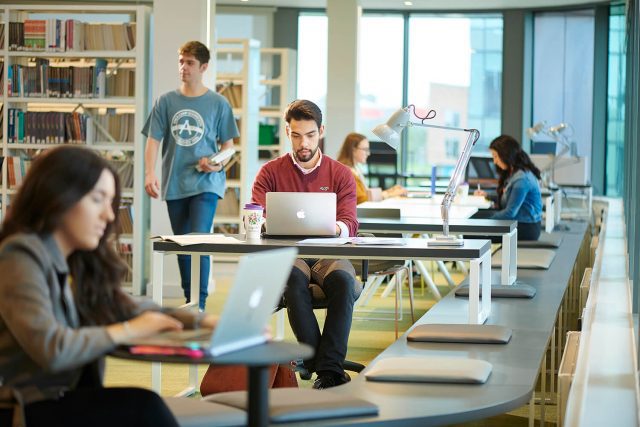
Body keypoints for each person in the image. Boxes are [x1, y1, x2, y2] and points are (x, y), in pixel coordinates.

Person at [0, 146, 216, 427]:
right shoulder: (19, 256)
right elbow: (53, 349)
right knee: (143, 408)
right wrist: (130, 330)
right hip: (25, 409)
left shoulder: (77, 259)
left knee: (143, 405)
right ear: (58, 197)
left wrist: (206, 320)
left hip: (65, 399)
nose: (109, 215)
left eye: (110, 202)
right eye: (97, 199)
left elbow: (129, 307)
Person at [251, 100, 360, 390]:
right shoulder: (270, 173)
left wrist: (333, 226)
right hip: (289, 254)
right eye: (296, 135)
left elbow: (350, 221)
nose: (304, 143)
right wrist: (265, 222)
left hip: (330, 253)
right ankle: (325, 367)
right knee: (291, 280)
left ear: (321, 131)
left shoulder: (340, 174)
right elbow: (257, 214)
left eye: (310, 135)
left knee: (343, 283)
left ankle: (326, 367)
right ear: (287, 132)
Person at [143, 40, 239, 310]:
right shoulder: (166, 101)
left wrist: (217, 164)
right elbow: (153, 140)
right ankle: (190, 299)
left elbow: (228, 148)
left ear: (204, 67)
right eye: (181, 62)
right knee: (183, 244)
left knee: (199, 238)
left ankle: (200, 304)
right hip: (175, 183)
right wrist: (150, 173)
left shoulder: (218, 103)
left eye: (190, 63)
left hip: (207, 183)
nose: (183, 67)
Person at [475, 135, 543, 240]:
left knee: (471, 234)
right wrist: (487, 195)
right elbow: (510, 197)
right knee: (476, 218)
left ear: (505, 155)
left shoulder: (521, 179)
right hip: (518, 222)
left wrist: (485, 221)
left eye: (495, 156)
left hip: (526, 227)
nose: (494, 161)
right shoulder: (513, 172)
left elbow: (510, 213)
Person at [336, 132, 406, 204]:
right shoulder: (346, 172)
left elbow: (366, 194)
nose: (368, 153)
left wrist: (390, 191)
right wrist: (390, 194)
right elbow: (361, 200)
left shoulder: (355, 169)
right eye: (365, 149)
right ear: (353, 150)